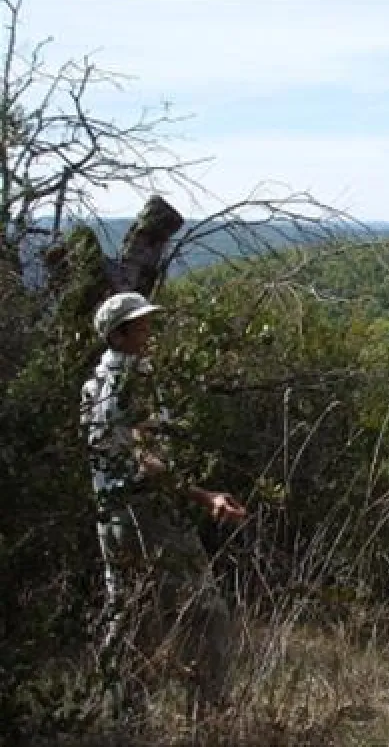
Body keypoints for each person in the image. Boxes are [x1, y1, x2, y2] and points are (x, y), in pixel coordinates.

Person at [82, 291, 246, 717]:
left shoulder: (99, 381)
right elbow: (144, 461)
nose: (150, 330)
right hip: (145, 515)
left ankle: (120, 716)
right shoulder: (125, 385)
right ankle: (209, 714)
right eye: (141, 324)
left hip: (115, 516)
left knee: (133, 616)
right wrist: (204, 495)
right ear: (119, 334)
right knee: (205, 612)